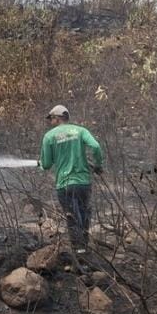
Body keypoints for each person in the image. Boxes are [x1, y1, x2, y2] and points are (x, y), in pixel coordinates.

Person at [38, 105, 103, 260]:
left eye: (51, 119)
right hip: (83, 182)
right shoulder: (80, 131)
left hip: (64, 184)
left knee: (72, 218)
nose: (50, 122)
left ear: (57, 118)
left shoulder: (49, 136)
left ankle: (80, 255)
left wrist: (40, 164)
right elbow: (95, 146)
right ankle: (84, 248)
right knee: (84, 214)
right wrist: (98, 165)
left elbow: (46, 164)